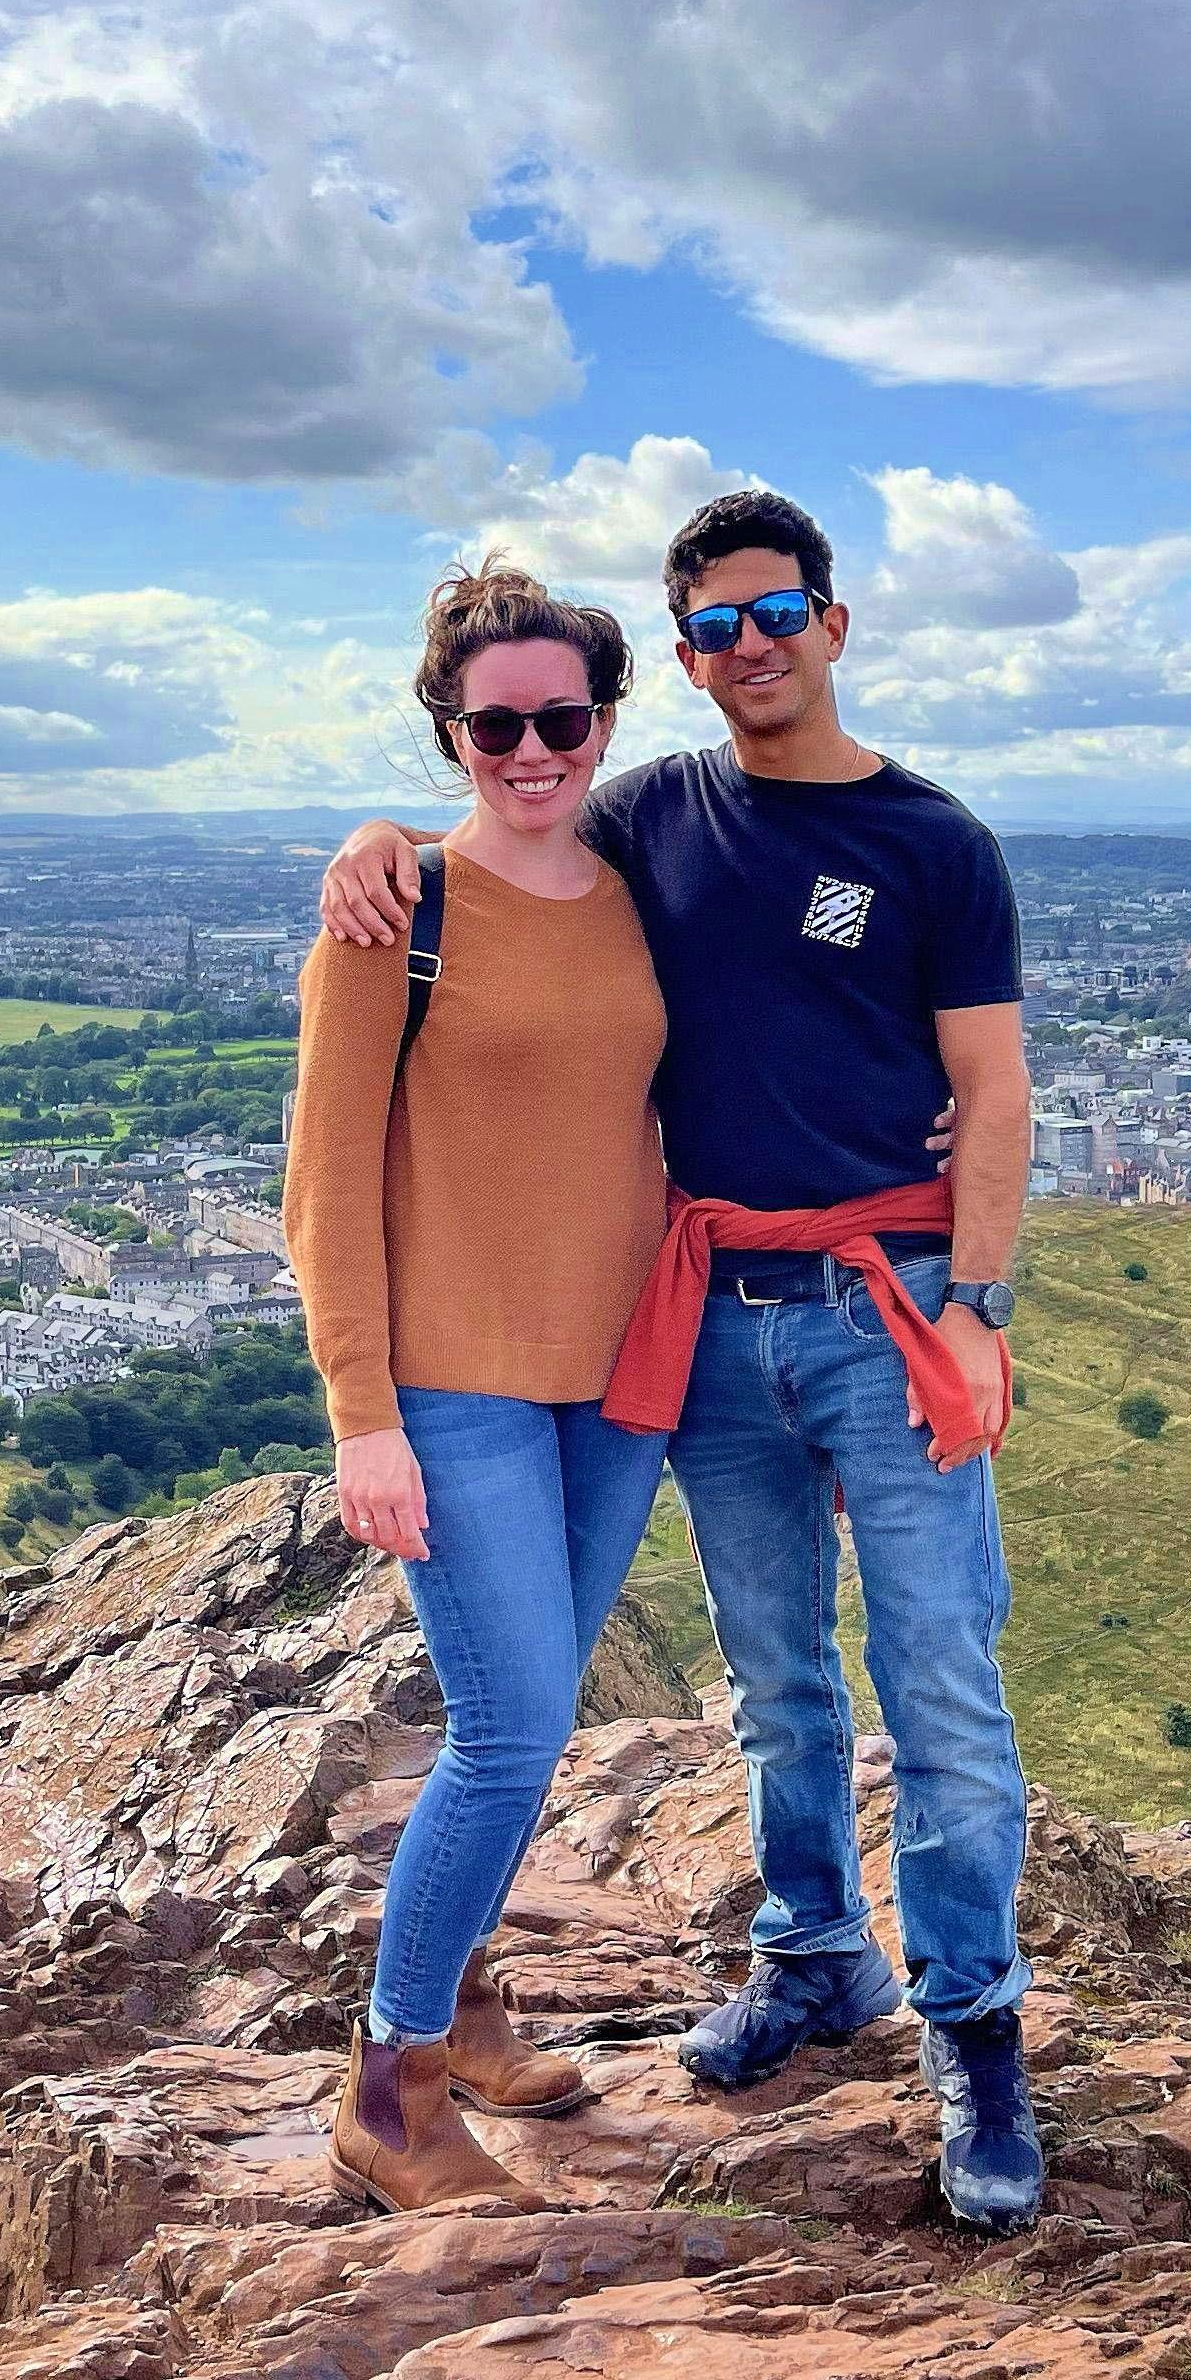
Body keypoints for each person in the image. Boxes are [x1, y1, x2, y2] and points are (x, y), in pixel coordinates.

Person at [317, 484, 1045, 2230]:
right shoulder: (601, 834)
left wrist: (977, 1304)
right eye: (712, 624)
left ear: (833, 622)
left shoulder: (910, 846)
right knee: (743, 1685)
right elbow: (349, 1132)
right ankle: (771, 1967)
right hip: (660, 1340)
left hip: (810, 1328)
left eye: (774, 613)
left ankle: (974, 2033)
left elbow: (995, 1087)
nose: (750, 646)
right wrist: (366, 837)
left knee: (931, 1682)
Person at [283, 560, 673, 2214]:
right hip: (454, 1384)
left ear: (605, 722)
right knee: (509, 1729)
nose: (530, 749)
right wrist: (362, 1413)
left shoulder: (645, 879)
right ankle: (389, 2085)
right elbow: (323, 1180)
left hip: (618, 1379)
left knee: (542, 1712)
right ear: (449, 730)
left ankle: (468, 2000)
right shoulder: (397, 914)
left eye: (560, 718)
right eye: (493, 722)